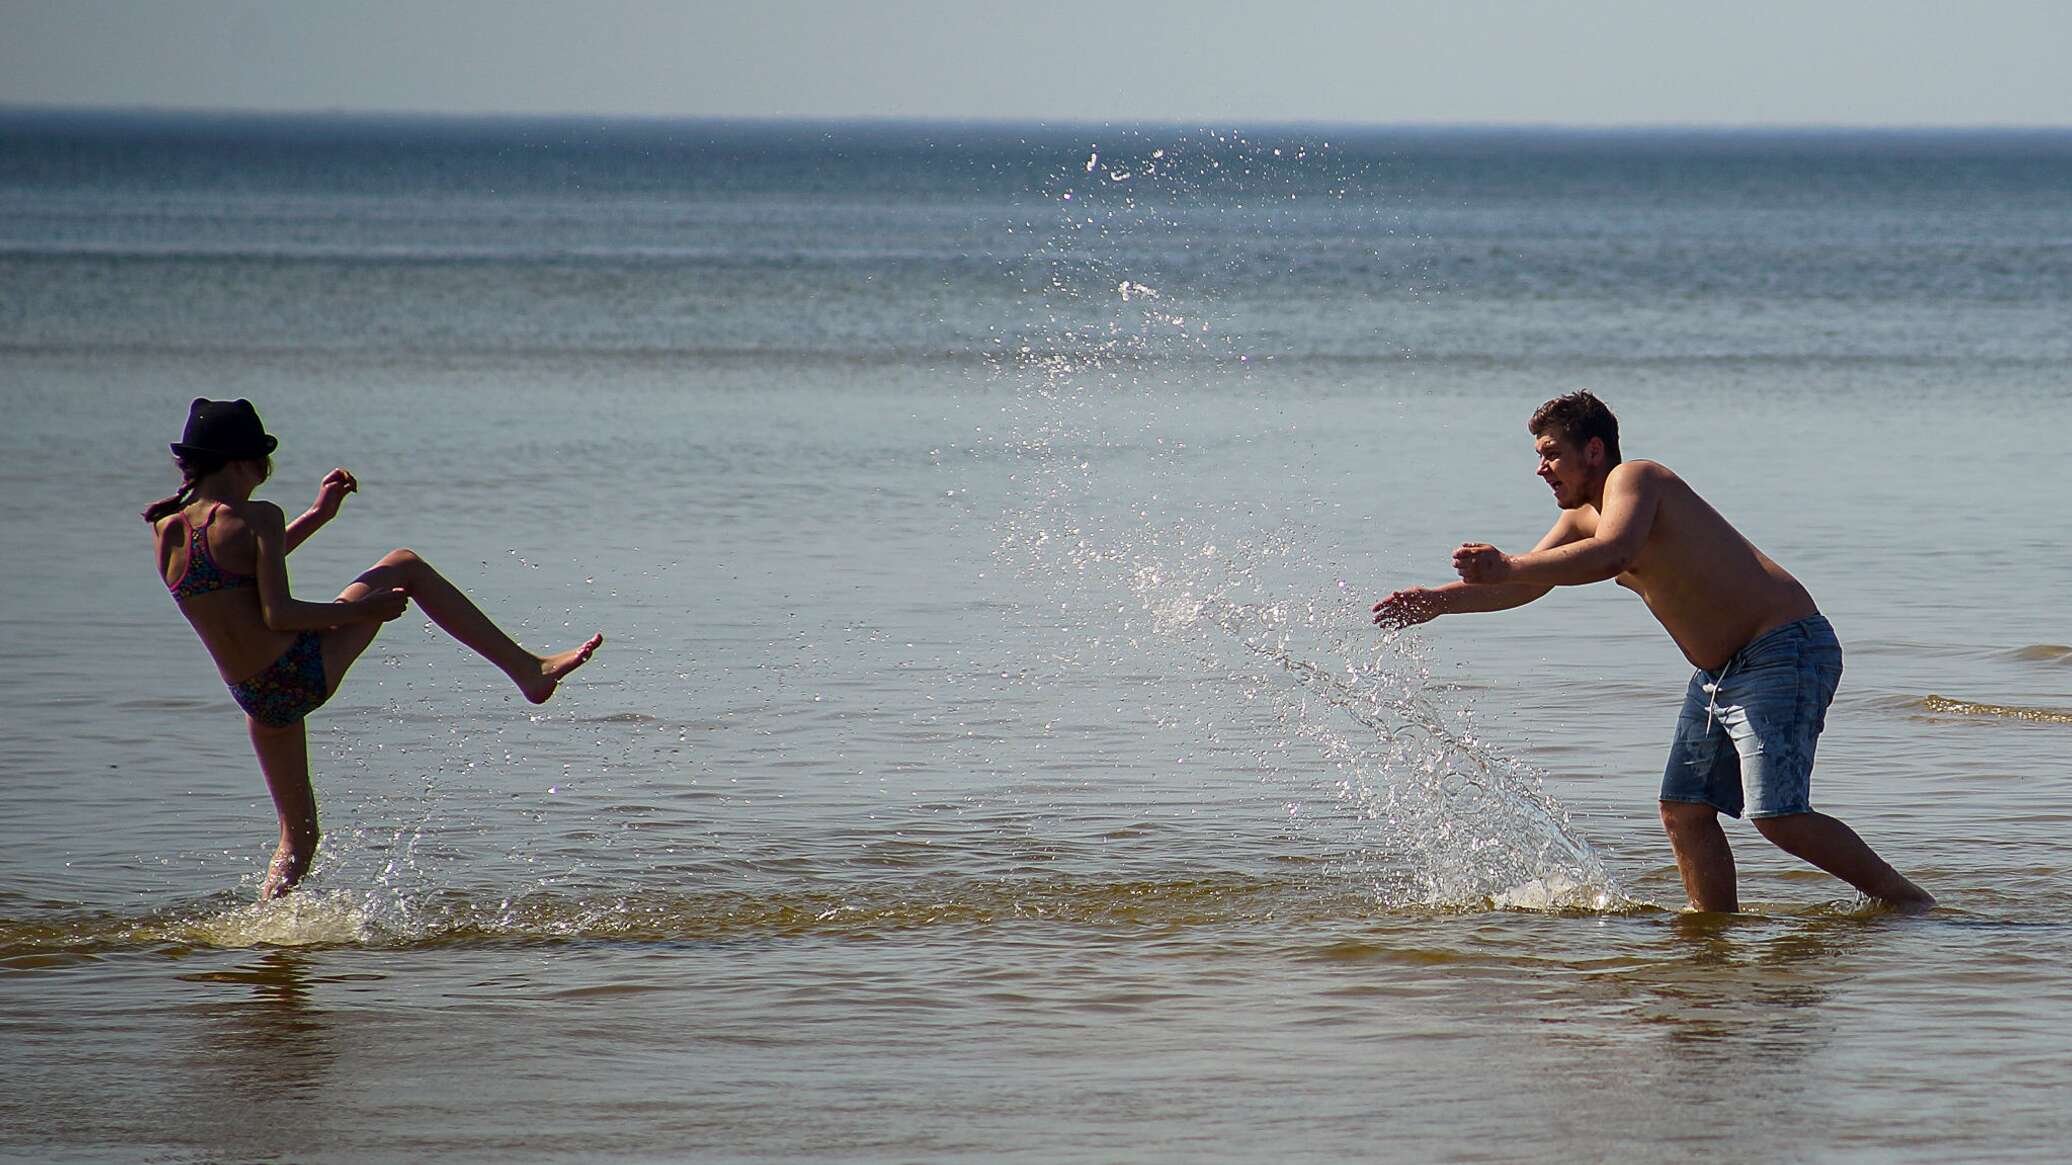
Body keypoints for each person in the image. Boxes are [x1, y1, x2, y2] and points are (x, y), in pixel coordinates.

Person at [1373, 391, 1932, 914]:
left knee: (1778, 816)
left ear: (1593, 450)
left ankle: (1907, 905)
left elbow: (1611, 553)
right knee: (1684, 811)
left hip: (1783, 649)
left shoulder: (1637, 478)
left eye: (1551, 454)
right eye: (1539, 456)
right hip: (1718, 672)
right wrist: (1438, 602)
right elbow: (1527, 584)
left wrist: (1511, 563)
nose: (1541, 468)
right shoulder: (1579, 518)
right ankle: (1711, 935)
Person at [145, 398, 603, 899]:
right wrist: (367, 611)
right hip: (298, 670)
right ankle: (527, 669)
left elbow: (239, 573)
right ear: (240, 463)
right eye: (263, 464)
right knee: (404, 563)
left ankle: (265, 933)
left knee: (298, 836)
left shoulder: (167, 530)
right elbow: (279, 614)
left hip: (255, 698)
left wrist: (319, 516)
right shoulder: (260, 518)